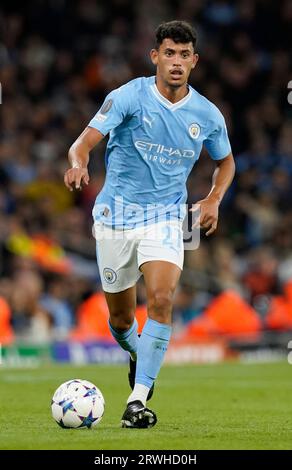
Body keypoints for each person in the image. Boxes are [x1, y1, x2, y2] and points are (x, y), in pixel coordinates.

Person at [64, 20, 235, 428]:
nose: (176, 62)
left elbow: (226, 162)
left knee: (160, 299)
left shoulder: (207, 114)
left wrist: (212, 199)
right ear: (155, 56)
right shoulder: (127, 96)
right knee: (122, 321)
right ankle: (139, 352)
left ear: (195, 61)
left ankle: (137, 399)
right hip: (115, 218)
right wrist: (78, 164)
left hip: (167, 218)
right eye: (169, 53)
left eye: (184, 55)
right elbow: (82, 143)